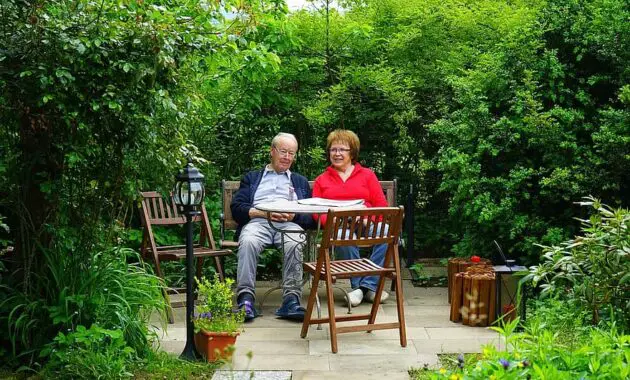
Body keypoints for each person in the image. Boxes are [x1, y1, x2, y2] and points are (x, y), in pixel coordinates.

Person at [231, 132, 313, 322]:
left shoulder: (299, 181)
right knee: (248, 240)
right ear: (272, 151)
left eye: (291, 153)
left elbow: (310, 217)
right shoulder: (252, 178)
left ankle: (291, 301)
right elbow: (237, 208)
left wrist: (294, 215)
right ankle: (245, 300)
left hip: (289, 223)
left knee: (294, 241)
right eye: (283, 151)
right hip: (259, 222)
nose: (287, 157)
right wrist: (263, 213)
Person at [312, 129, 390, 307]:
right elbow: (316, 212)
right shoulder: (322, 180)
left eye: (342, 150)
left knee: (386, 231)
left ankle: (365, 287)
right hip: (339, 225)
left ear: (352, 152)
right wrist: (335, 221)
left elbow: (382, 207)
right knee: (343, 235)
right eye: (333, 150)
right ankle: (361, 288)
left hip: (366, 223)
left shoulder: (367, 175)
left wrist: (367, 218)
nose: (337, 154)